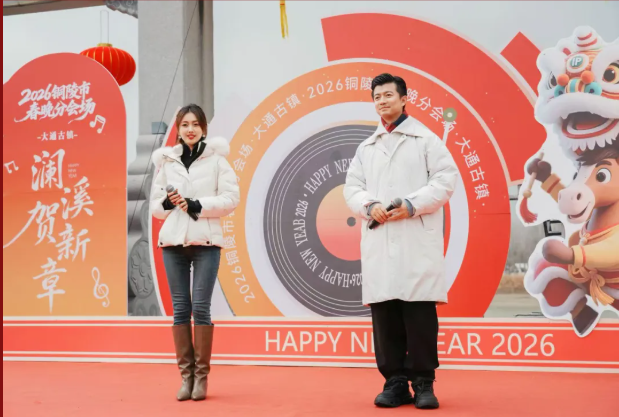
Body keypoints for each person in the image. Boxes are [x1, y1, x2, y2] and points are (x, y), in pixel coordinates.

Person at [343, 74, 458, 409]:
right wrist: (369, 206)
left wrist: (411, 204)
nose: (382, 101)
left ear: (405, 99)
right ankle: (394, 382)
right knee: (386, 312)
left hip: (415, 237)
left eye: (388, 95)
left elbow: (445, 180)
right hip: (380, 238)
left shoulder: (426, 140)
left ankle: (423, 383)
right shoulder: (366, 147)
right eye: (377, 97)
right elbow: (352, 188)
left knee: (418, 311)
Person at [150, 104, 240, 401]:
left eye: (196, 124)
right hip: (173, 244)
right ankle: (185, 378)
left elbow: (231, 199)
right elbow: (156, 208)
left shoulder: (217, 160)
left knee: (201, 307)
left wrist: (196, 205)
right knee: (180, 309)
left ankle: (201, 378)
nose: (190, 129)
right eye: (185, 124)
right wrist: (169, 202)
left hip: (206, 243)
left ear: (204, 128)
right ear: (178, 129)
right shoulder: (167, 161)